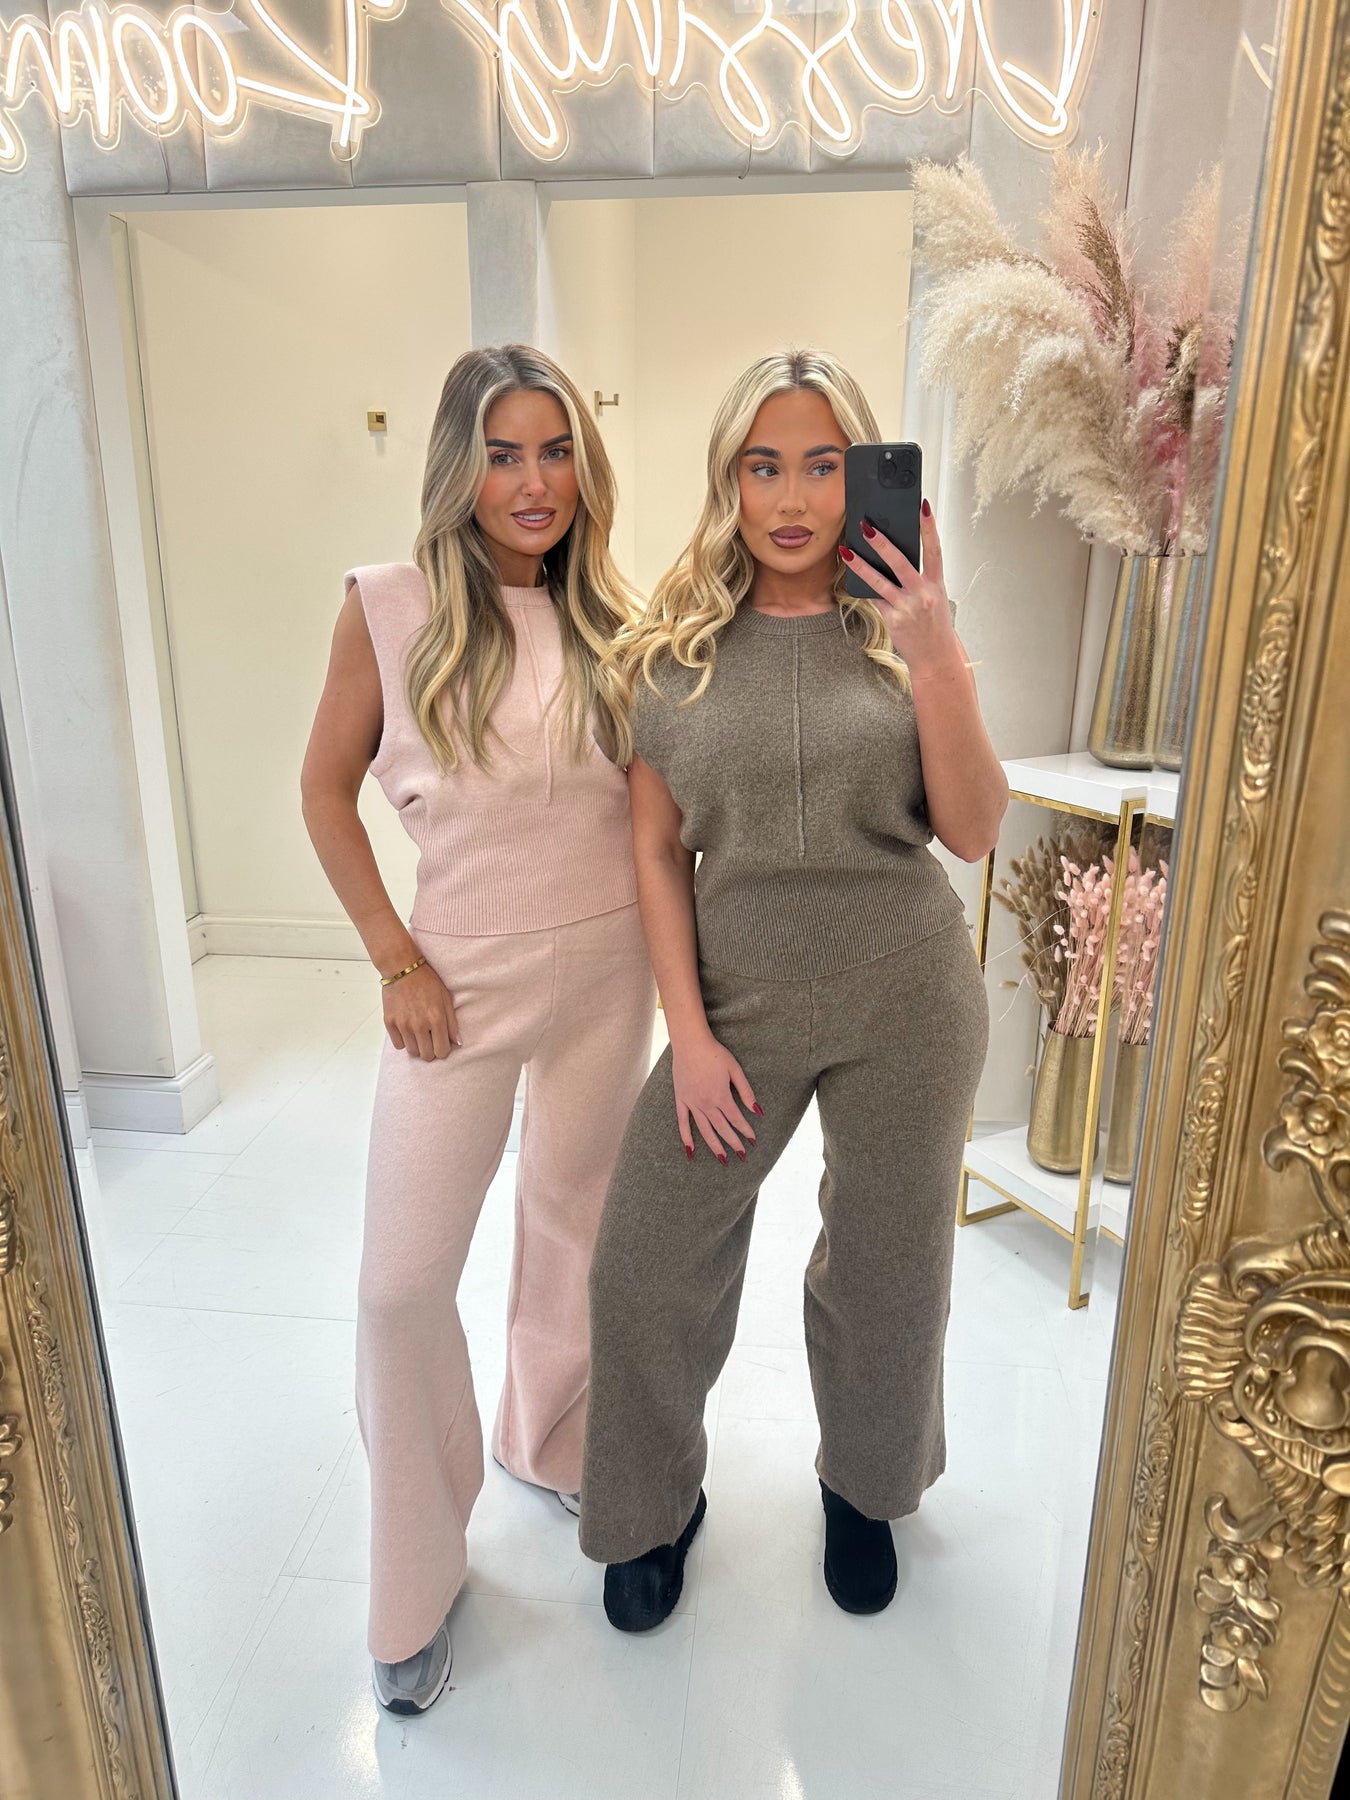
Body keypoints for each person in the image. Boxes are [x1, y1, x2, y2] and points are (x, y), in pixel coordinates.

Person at [579, 348, 1007, 1629]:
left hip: (906, 996)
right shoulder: (670, 659)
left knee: (889, 1267)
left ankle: (862, 1489)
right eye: (763, 467)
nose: (793, 498)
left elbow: (974, 830)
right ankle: (650, 1509)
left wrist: (937, 651)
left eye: (824, 466)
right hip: (739, 1005)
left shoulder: (910, 636)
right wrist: (689, 1032)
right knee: (645, 1264)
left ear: (862, 476)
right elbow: (655, 850)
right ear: (729, 481)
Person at [301, 344, 655, 1712]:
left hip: (608, 975)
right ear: (459, 467)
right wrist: (393, 957)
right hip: (453, 991)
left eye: (555, 450)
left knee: (576, 1229)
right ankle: (414, 1578)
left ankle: (549, 1441)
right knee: (400, 1287)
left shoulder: (615, 618)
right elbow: (324, 792)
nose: (532, 481)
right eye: (503, 454)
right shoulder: (388, 607)